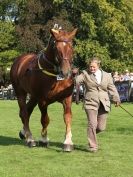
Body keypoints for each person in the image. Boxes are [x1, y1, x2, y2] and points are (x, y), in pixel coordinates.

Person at [73, 57, 121, 152]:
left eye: (94, 67)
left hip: (104, 102)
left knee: (101, 127)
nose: (91, 68)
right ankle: (93, 146)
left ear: (98, 66)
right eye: (90, 66)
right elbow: (77, 81)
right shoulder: (85, 74)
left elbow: (112, 88)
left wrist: (116, 98)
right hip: (90, 102)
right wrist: (75, 75)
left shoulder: (107, 75)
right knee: (92, 124)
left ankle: (91, 135)